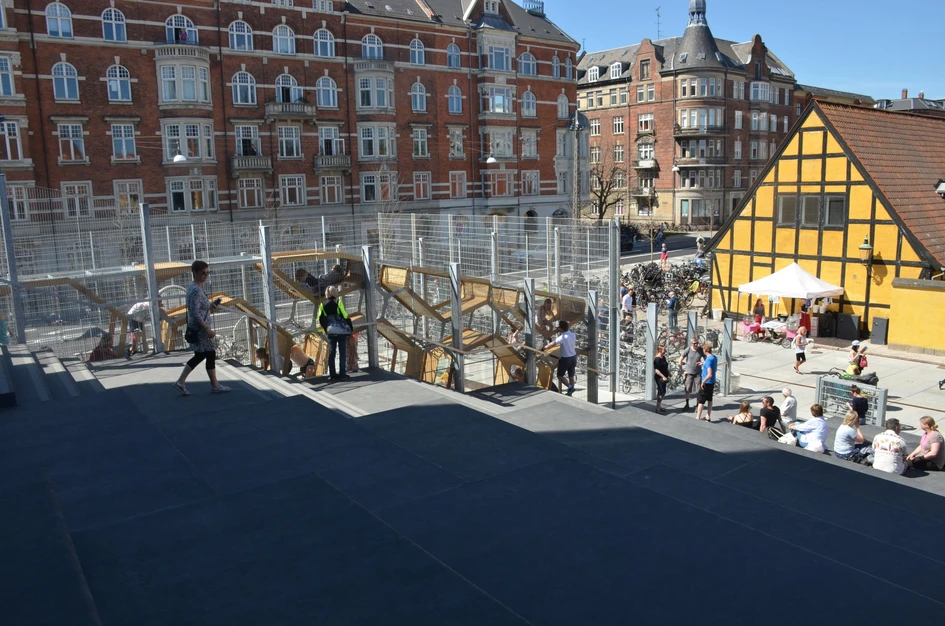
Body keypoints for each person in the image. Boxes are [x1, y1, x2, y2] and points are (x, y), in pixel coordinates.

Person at [174, 260, 231, 395]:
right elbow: (194, 313)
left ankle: (182, 382)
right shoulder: (195, 290)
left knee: (202, 355)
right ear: (194, 273)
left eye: (207, 273)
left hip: (200, 327)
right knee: (208, 354)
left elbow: (201, 310)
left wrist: (212, 306)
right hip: (201, 329)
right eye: (202, 273)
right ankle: (213, 385)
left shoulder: (196, 288)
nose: (205, 276)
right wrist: (207, 329)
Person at [318, 285, 353, 380]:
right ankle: (342, 374)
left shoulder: (322, 304)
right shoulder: (339, 302)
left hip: (330, 331)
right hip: (340, 331)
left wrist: (326, 328)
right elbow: (345, 315)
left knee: (332, 353)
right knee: (342, 352)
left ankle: (332, 375)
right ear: (335, 293)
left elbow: (320, 318)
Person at [544, 319, 577, 396]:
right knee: (571, 375)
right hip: (573, 357)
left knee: (560, 375)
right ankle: (570, 392)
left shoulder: (562, 337)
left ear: (561, 329)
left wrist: (544, 348)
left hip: (565, 359)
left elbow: (551, 344)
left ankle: (570, 387)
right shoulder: (573, 335)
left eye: (559, 328)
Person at [679, 338, 704, 411]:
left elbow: (706, 358)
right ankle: (687, 404)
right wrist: (682, 370)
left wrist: (703, 363)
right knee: (687, 389)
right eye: (694, 343)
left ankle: (698, 404)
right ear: (691, 344)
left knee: (698, 389)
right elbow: (681, 359)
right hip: (689, 373)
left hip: (698, 373)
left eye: (697, 343)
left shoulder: (700, 350)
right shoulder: (688, 349)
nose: (696, 344)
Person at [694, 343, 716, 422]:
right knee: (709, 399)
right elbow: (710, 365)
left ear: (705, 350)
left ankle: (698, 417)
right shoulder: (714, 357)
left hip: (707, 383)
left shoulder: (708, 359)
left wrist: (703, 381)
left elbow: (709, 374)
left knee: (701, 400)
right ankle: (708, 416)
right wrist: (703, 363)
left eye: (703, 349)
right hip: (712, 382)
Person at [654, 345, 670, 414]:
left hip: (664, 377)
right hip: (659, 377)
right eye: (664, 350)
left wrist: (669, 373)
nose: (665, 351)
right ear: (660, 350)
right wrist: (663, 376)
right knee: (661, 392)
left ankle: (659, 406)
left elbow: (665, 367)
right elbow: (656, 370)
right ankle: (658, 408)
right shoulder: (657, 359)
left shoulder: (663, 357)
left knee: (663, 391)